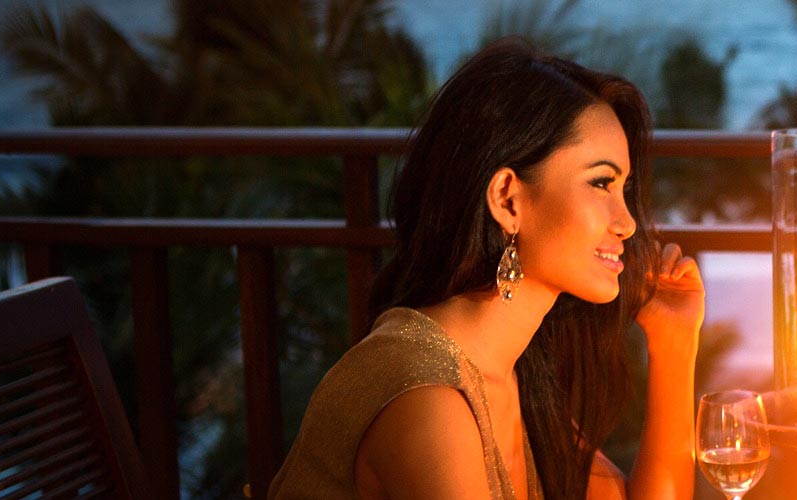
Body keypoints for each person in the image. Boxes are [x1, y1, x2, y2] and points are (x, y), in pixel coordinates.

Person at [269, 39, 702, 500]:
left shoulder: (510, 372)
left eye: (624, 189)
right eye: (601, 183)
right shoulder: (430, 400)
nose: (628, 222)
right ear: (507, 200)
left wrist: (675, 343)